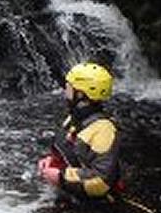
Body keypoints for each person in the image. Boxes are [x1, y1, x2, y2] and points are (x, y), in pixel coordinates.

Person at [38, 62, 123, 202]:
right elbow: (71, 148)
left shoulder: (104, 131)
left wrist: (61, 177)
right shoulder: (76, 118)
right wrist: (52, 160)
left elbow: (102, 180)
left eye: (70, 88)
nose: (66, 92)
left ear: (81, 95)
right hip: (74, 190)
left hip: (97, 202)